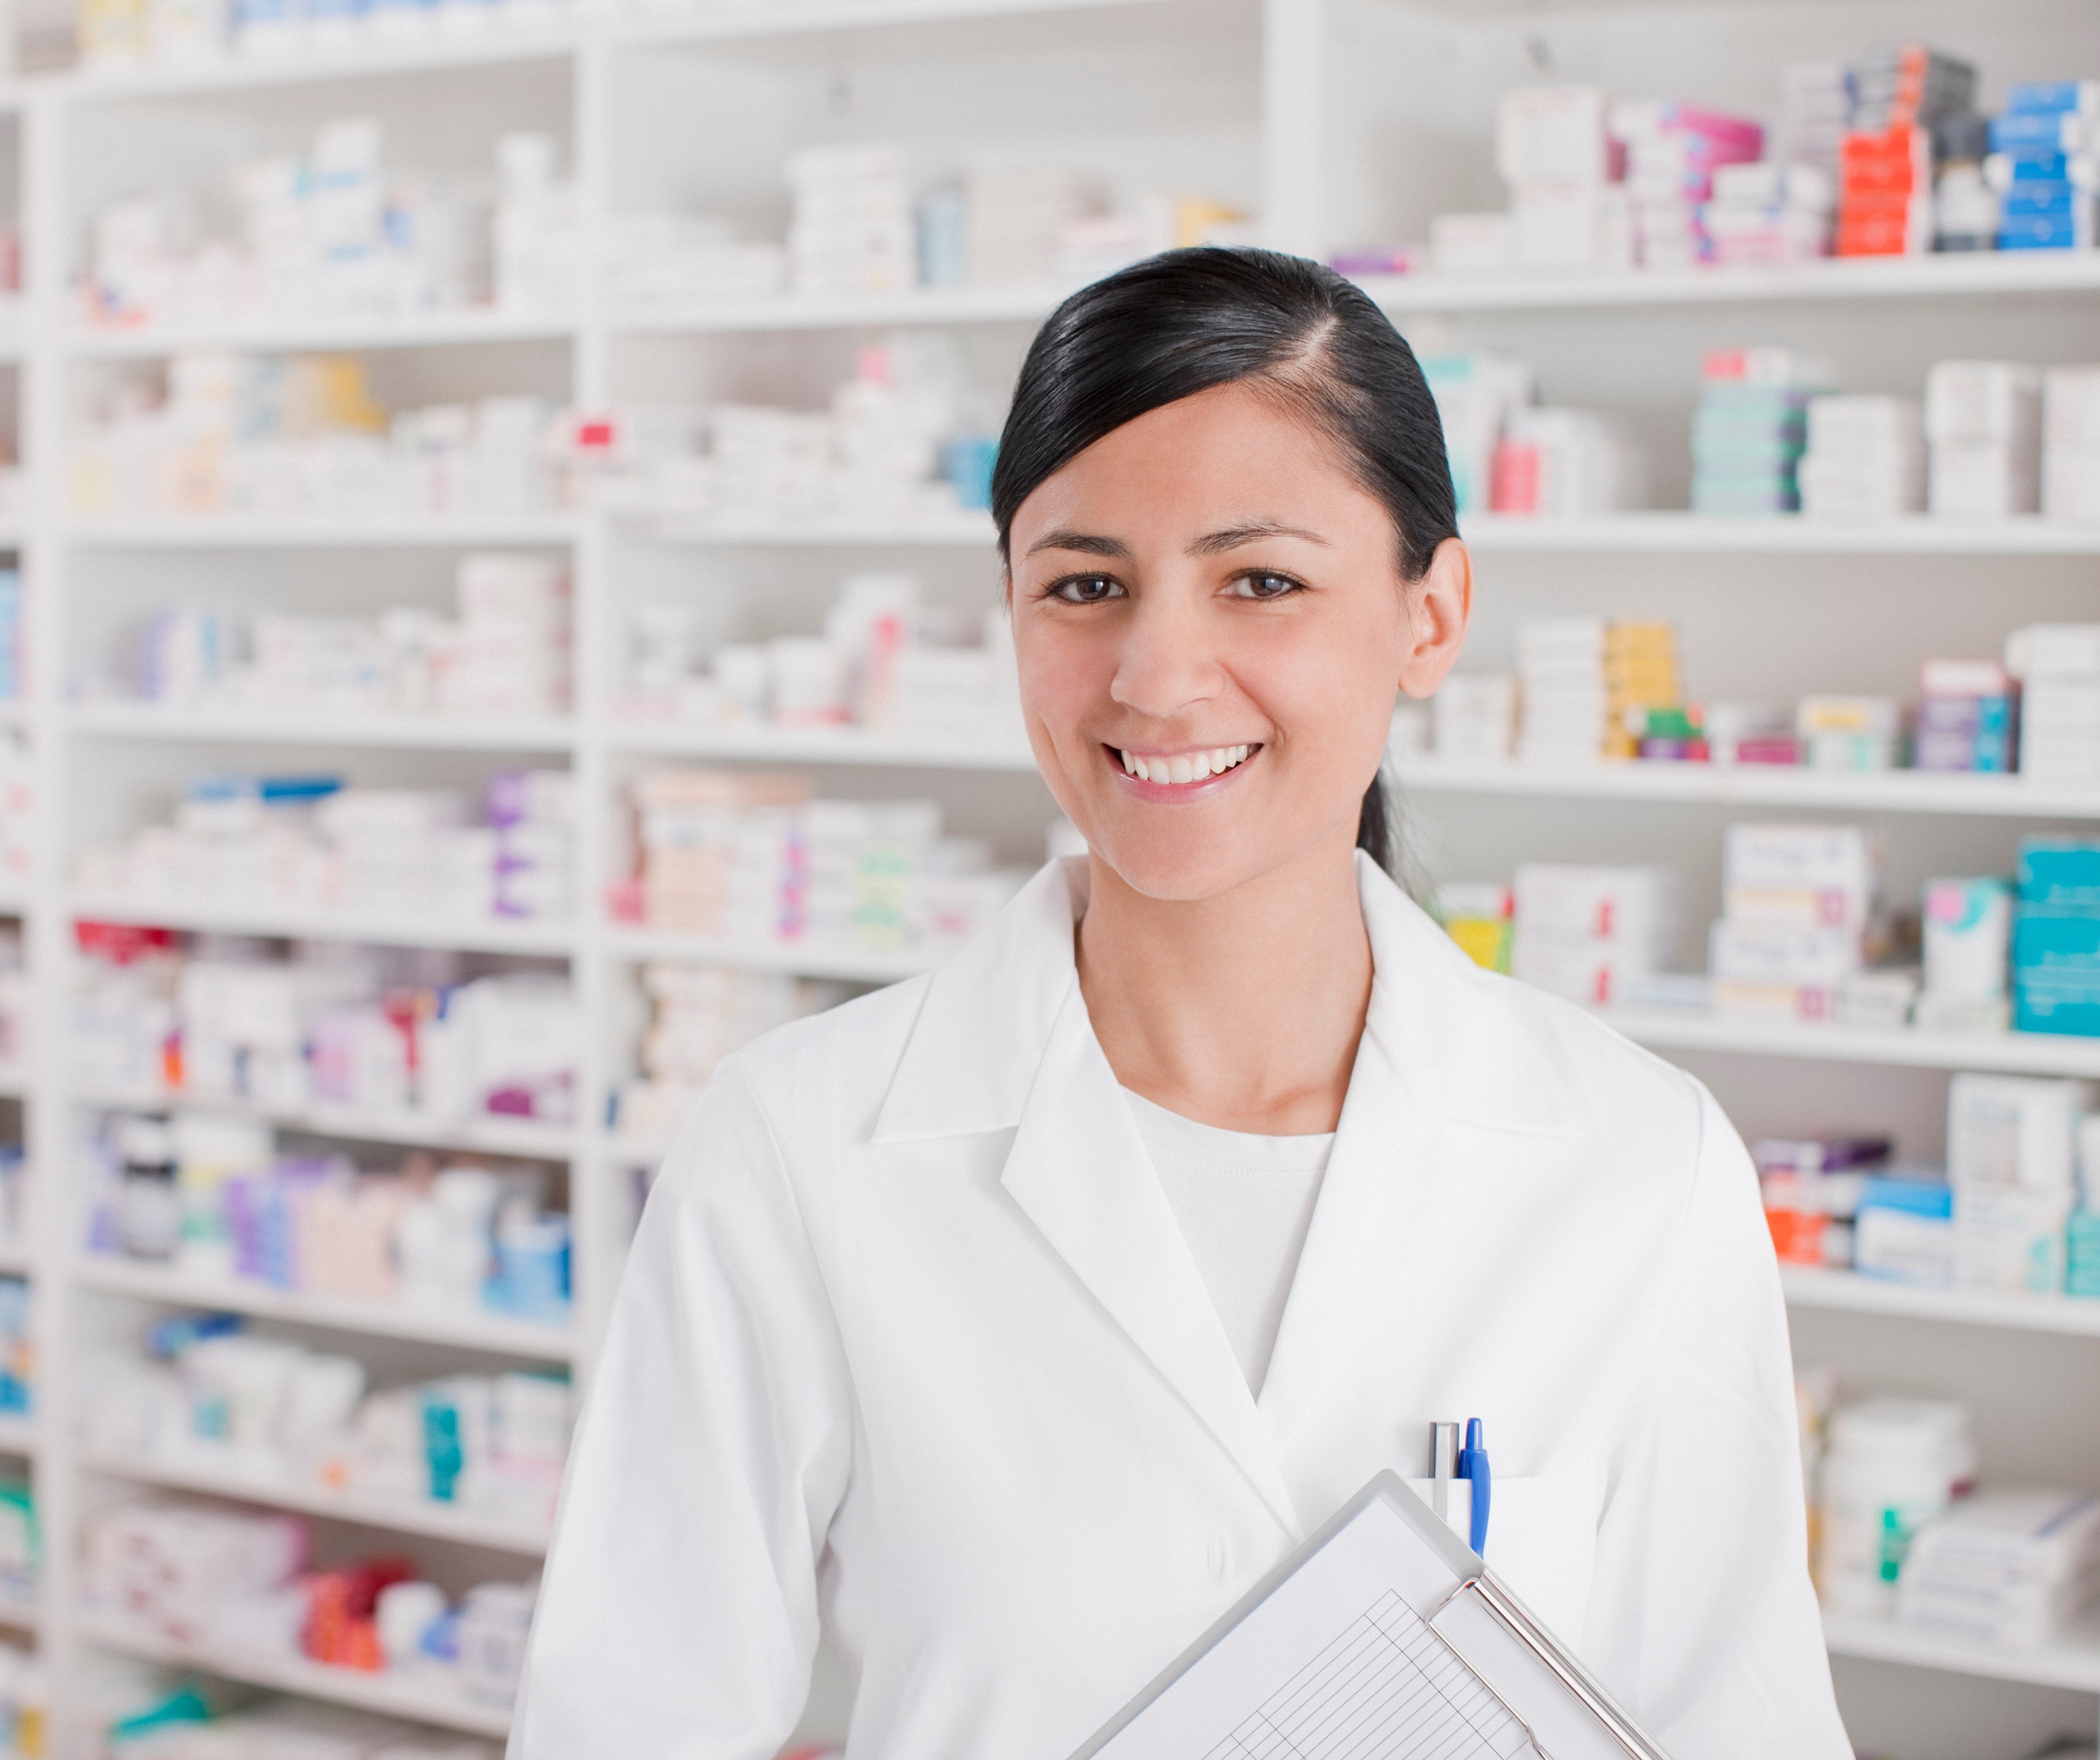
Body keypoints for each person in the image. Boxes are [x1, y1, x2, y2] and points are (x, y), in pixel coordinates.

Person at [513, 247, 1850, 1759]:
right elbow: (627, 1720)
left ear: (1431, 610)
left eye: (1261, 580)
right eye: (1086, 584)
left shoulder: (1638, 1161)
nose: (1155, 677)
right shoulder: (803, 1144)